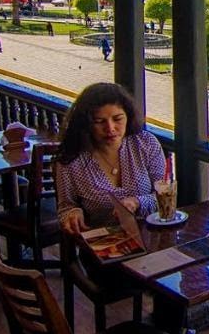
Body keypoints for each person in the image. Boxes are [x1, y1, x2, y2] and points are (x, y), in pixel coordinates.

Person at [57, 82, 166, 234]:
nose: (110, 128)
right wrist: (73, 213)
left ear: (128, 116)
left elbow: (164, 197)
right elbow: (66, 206)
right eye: (99, 121)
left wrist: (137, 202)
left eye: (117, 119)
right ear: (87, 124)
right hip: (101, 241)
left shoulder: (145, 144)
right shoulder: (72, 158)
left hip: (151, 235)